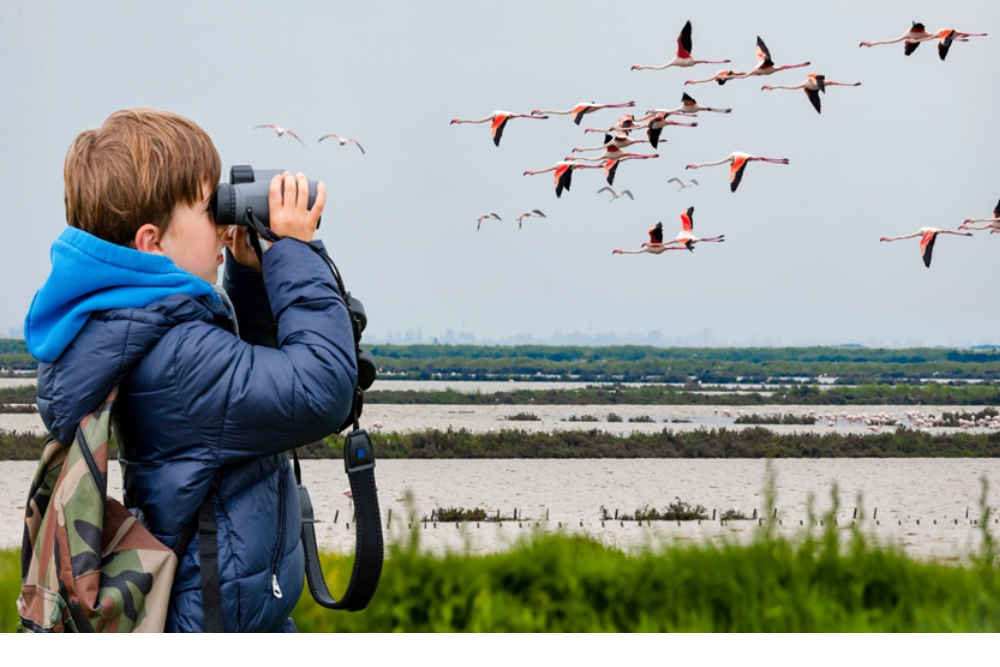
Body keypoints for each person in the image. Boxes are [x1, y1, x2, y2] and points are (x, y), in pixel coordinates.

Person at [23, 108, 358, 632]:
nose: (224, 223)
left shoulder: (142, 332)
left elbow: (250, 384)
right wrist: (295, 253)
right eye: (209, 209)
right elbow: (320, 388)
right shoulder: (180, 357)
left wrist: (251, 279)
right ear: (152, 242)